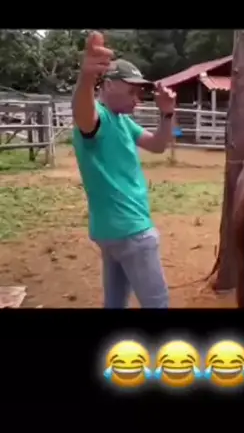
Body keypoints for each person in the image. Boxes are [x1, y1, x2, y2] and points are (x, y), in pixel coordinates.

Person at [72, 31, 176, 308]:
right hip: (133, 232)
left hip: (110, 233)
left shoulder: (122, 121)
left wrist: (167, 114)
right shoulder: (98, 118)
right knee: (157, 303)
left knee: (115, 302)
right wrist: (86, 78)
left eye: (139, 92)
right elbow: (82, 113)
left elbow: (158, 145)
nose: (137, 98)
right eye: (131, 91)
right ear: (108, 85)